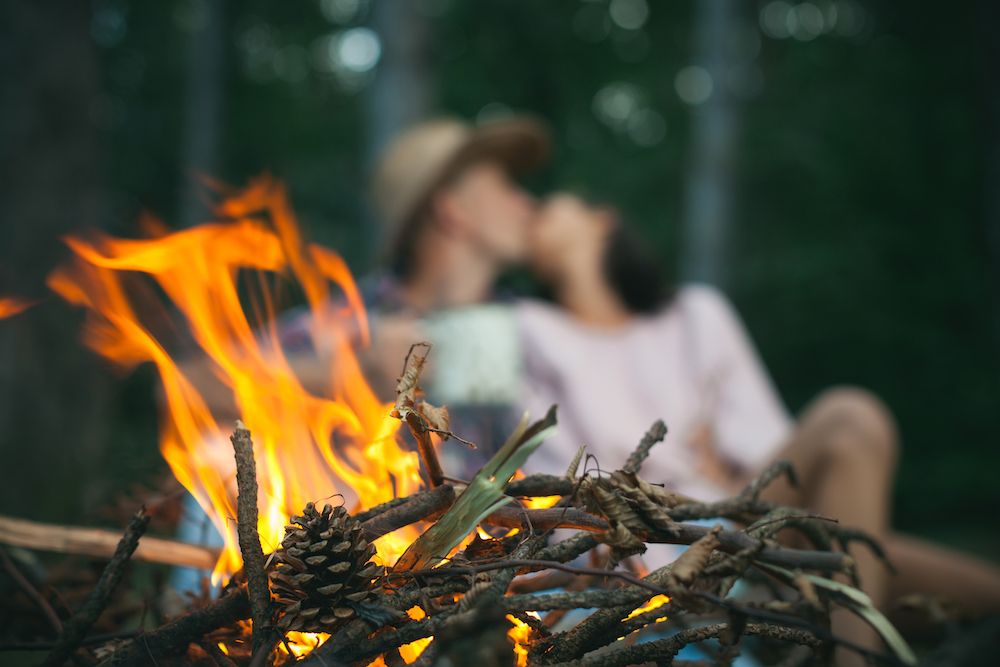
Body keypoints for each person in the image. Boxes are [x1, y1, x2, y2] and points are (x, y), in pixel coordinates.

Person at [516, 193, 1000, 665]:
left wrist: (726, 485)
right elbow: (556, 482)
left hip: (748, 514)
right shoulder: (528, 329)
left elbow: (772, 450)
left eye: (546, 204)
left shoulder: (694, 315)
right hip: (647, 550)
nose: (531, 215)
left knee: (851, 418)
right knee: (891, 562)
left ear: (603, 220)